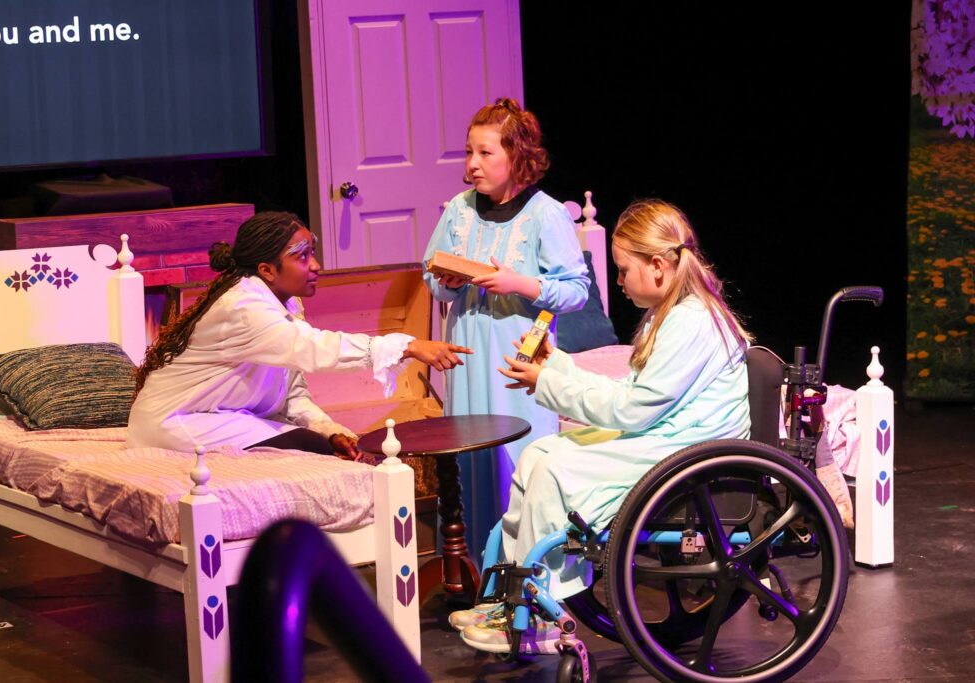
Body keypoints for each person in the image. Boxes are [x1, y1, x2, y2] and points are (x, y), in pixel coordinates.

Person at [450, 198, 753, 654]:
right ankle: (510, 595)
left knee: (554, 470)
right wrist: (561, 367)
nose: (617, 280)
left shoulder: (690, 321)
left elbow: (633, 409)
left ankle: (537, 613)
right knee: (540, 453)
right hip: (669, 435)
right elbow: (634, 391)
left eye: (622, 269)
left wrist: (549, 381)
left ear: (657, 265)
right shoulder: (672, 313)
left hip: (690, 449)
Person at [128, 211, 471, 457]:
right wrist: (406, 345)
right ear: (267, 270)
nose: (316, 265)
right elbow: (313, 348)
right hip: (175, 422)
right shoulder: (244, 308)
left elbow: (292, 394)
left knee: (319, 443)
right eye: (303, 256)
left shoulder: (286, 303)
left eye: (313, 253)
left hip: (222, 416)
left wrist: (328, 428)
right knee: (308, 448)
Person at [422, 97, 590, 552]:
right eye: (469, 152)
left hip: (517, 355)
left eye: (485, 153)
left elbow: (577, 290)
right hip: (467, 351)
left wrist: (521, 283)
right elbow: (430, 277)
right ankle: (472, 568)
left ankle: (525, 572)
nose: (472, 165)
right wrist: (450, 281)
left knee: (517, 459)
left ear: (517, 157)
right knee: (468, 457)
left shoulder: (545, 214)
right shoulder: (459, 209)